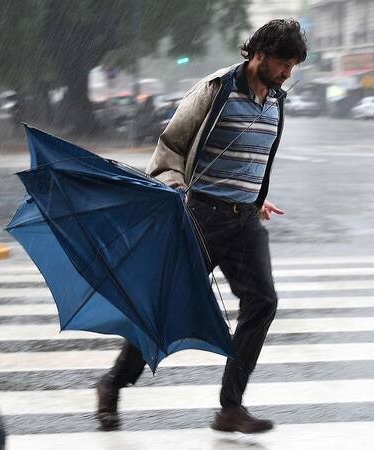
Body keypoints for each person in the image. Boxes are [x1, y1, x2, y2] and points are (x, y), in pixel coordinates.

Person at [96, 18, 307, 434]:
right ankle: (113, 383)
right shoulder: (216, 90)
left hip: (245, 222)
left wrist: (256, 197)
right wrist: (175, 191)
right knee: (163, 308)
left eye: (293, 66)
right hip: (201, 217)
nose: (287, 73)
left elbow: (253, 158)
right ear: (260, 55)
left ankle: (231, 407)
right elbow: (171, 147)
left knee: (262, 302)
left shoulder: (275, 100)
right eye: (283, 63)